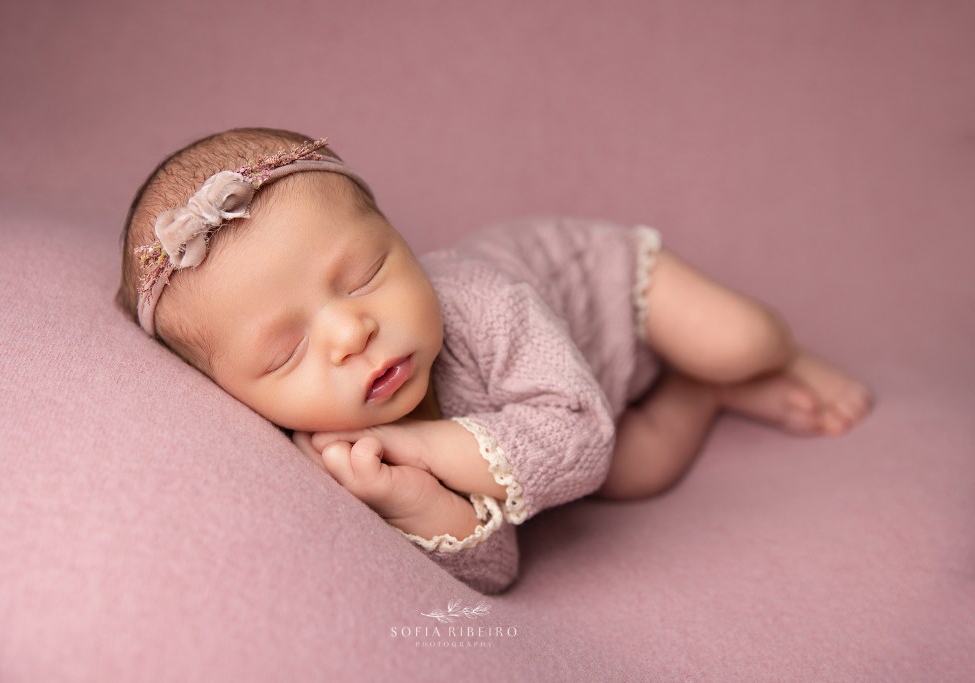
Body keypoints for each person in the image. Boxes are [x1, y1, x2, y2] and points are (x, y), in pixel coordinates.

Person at [117, 127, 872, 593]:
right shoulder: (333, 450)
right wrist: (409, 500)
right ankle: (702, 393)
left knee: (739, 338)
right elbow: (500, 569)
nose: (351, 331)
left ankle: (775, 357)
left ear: (403, 239)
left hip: (609, 292)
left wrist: (422, 444)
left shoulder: (480, 298)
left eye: (365, 275)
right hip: (589, 416)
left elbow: (579, 439)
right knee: (639, 474)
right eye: (286, 352)